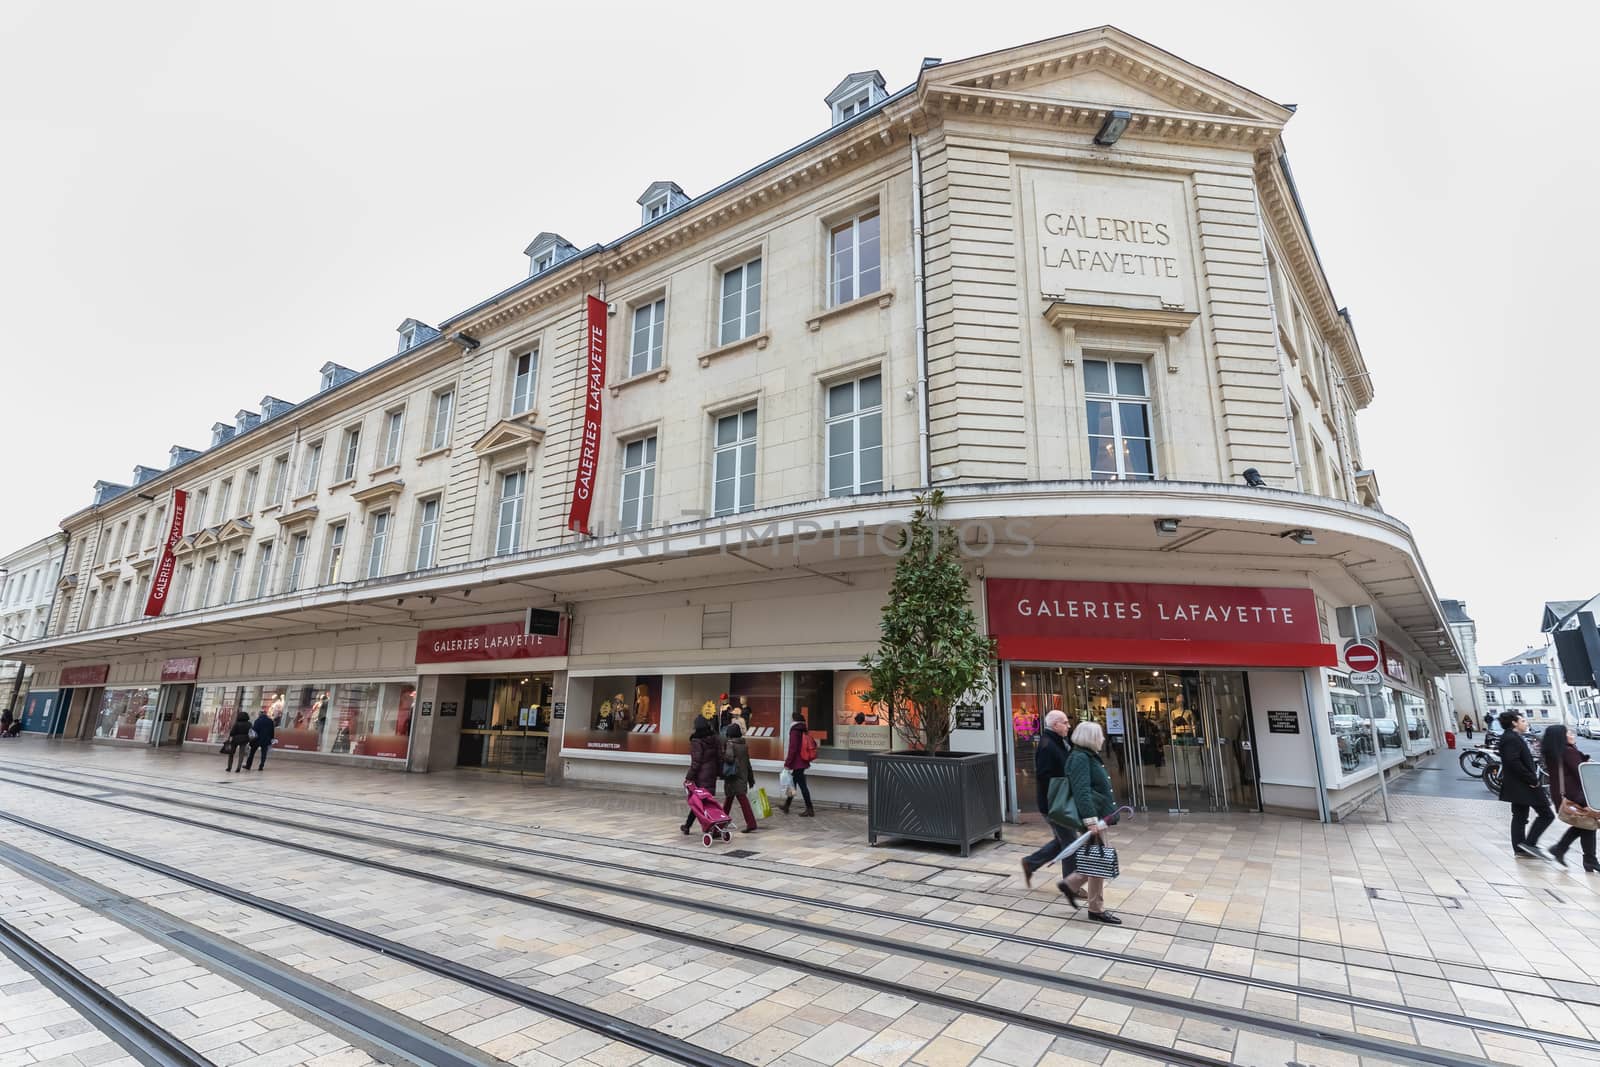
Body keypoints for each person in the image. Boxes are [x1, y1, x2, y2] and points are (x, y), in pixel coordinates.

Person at [1060, 720, 1121, 924]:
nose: (1103, 738)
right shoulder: (1080, 758)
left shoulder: (1087, 756)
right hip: (1093, 818)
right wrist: (1090, 821)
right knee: (1099, 859)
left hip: (1098, 817)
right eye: (1100, 735)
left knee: (1097, 858)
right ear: (1091, 738)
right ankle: (1094, 906)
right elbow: (1082, 791)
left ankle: (1073, 886)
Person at [1020, 710, 1075, 892]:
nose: (1068, 726)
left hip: (1057, 801)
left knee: (1063, 840)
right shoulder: (1047, 745)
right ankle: (1070, 885)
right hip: (1054, 803)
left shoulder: (1058, 742)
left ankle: (1030, 863)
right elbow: (1044, 775)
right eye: (1065, 723)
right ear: (1055, 725)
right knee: (1070, 842)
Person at [1541, 724, 1600, 872]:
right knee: (1588, 824)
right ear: (1561, 737)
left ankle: (1563, 850)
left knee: (1584, 825)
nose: (1572, 734)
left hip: (1564, 795)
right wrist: (1587, 801)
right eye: (1569, 733)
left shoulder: (1554, 752)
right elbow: (1582, 774)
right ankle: (1588, 860)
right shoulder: (1568, 752)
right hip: (1577, 795)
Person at [1498, 711, 1553, 860]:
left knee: (1520, 816)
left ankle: (1521, 848)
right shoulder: (1511, 738)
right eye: (1522, 720)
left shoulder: (1512, 737)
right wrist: (1531, 780)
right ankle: (1528, 844)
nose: (1526, 722)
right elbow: (1513, 761)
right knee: (1546, 814)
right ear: (1514, 723)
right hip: (1524, 785)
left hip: (1519, 785)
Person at [681, 714, 724, 834]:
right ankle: (688, 826)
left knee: (700, 803)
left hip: (701, 776)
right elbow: (720, 757)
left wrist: (689, 777)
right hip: (711, 775)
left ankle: (711, 828)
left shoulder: (697, 741)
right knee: (705, 802)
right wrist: (720, 773)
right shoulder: (715, 738)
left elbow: (696, 762)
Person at [722, 723, 760, 833]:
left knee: (738, 800)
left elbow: (729, 759)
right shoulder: (743, 745)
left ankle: (751, 823)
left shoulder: (730, 744)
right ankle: (722, 821)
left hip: (733, 776)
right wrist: (750, 778)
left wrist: (722, 753)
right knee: (731, 800)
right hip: (742, 776)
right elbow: (748, 763)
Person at [781, 708, 815, 817]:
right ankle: (787, 805)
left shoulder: (795, 730)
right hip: (801, 761)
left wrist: (787, 763)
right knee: (793, 783)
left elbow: (793, 748)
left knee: (802, 785)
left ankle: (809, 808)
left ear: (794, 720)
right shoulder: (803, 729)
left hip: (797, 762)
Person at [241, 706, 276, 772]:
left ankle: (248, 765)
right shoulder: (270, 721)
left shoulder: (258, 721)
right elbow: (272, 731)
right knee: (264, 754)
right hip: (266, 740)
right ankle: (261, 766)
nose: (258, 715)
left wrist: (251, 739)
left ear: (260, 714)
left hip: (257, 740)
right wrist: (271, 738)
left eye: (259, 713)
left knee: (252, 753)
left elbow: (254, 730)